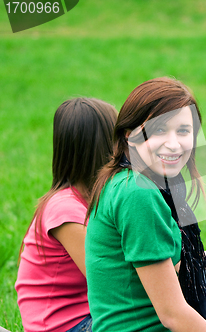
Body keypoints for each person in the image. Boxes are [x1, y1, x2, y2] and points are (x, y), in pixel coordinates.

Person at [85, 77, 206, 332]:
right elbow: (173, 315)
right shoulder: (137, 192)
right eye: (158, 130)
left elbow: (171, 266)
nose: (173, 143)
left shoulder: (143, 182)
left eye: (183, 131)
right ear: (128, 134)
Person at [15, 98, 118, 332]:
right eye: (117, 139)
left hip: (88, 314)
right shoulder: (65, 209)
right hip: (65, 326)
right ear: (100, 148)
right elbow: (113, 278)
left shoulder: (94, 199)